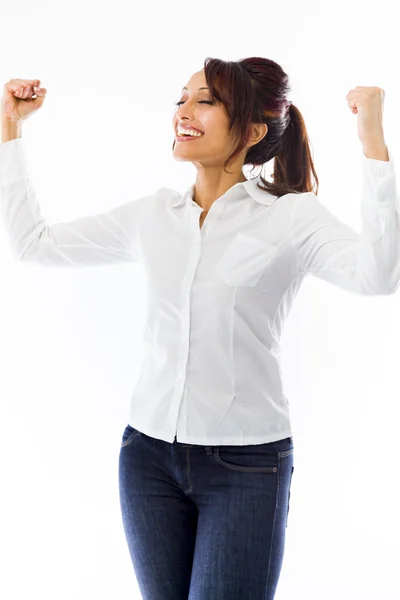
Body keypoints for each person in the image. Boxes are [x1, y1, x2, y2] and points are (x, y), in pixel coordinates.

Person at [1, 56, 398, 600]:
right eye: (182, 99)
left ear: (253, 131)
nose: (184, 112)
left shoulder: (292, 217)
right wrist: (11, 129)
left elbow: (378, 276)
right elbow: (33, 245)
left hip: (246, 464)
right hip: (146, 457)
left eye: (205, 101)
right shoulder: (153, 215)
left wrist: (373, 144)